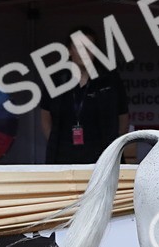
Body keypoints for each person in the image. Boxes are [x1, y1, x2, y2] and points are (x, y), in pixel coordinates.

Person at [40, 26, 134, 165]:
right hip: (63, 157)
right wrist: (58, 144)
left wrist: (113, 148)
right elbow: (45, 117)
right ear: (69, 51)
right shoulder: (56, 80)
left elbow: (123, 118)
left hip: (102, 157)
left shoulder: (109, 80)